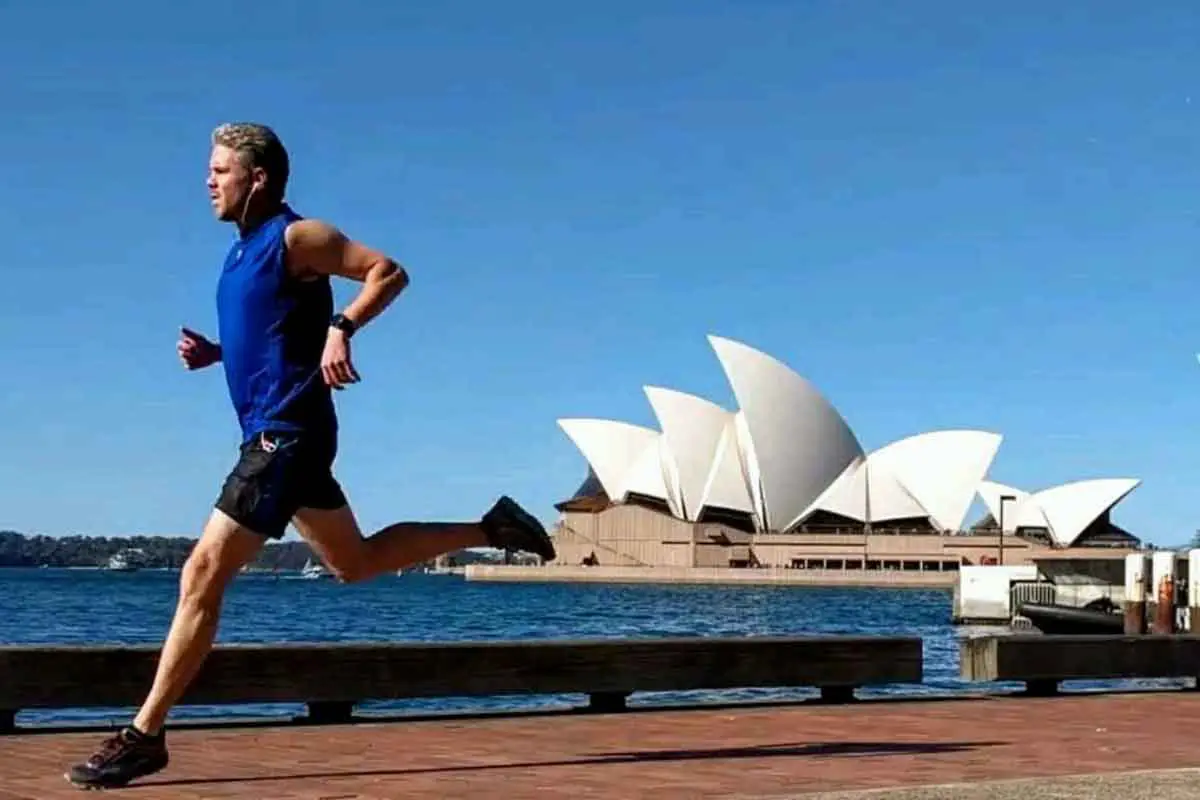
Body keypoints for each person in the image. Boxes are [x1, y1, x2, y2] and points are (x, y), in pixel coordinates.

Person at [65, 123, 556, 789]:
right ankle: (493, 528)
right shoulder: (239, 254)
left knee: (202, 572)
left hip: (285, 433)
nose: (208, 181)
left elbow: (389, 270)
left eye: (219, 170)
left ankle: (144, 734)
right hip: (279, 432)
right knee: (352, 563)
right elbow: (268, 334)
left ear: (257, 177)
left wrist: (341, 328)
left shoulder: (297, 238)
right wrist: (218, 353)